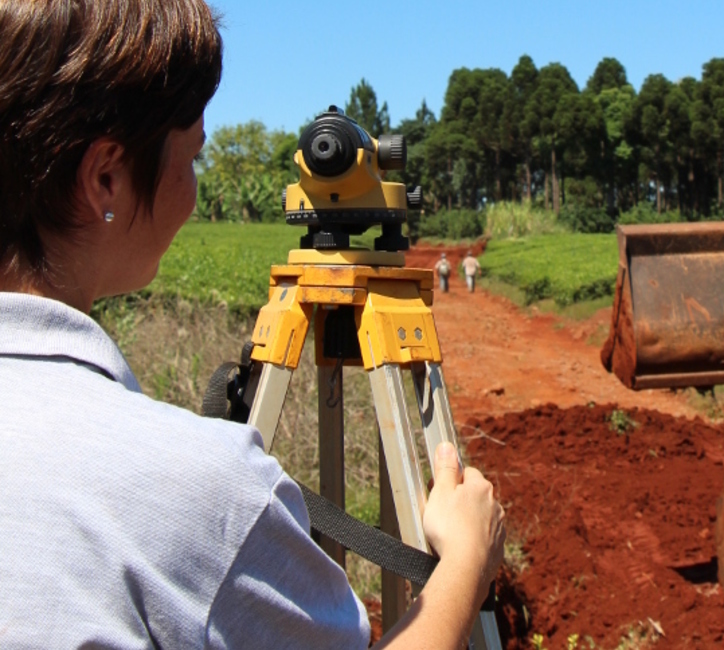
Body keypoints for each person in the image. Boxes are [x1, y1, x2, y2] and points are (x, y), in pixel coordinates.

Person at [0, 2, 504, 648]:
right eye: (193, 157)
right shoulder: (196, 492)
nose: (194, 186)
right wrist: (465, 565)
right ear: (105, 178)